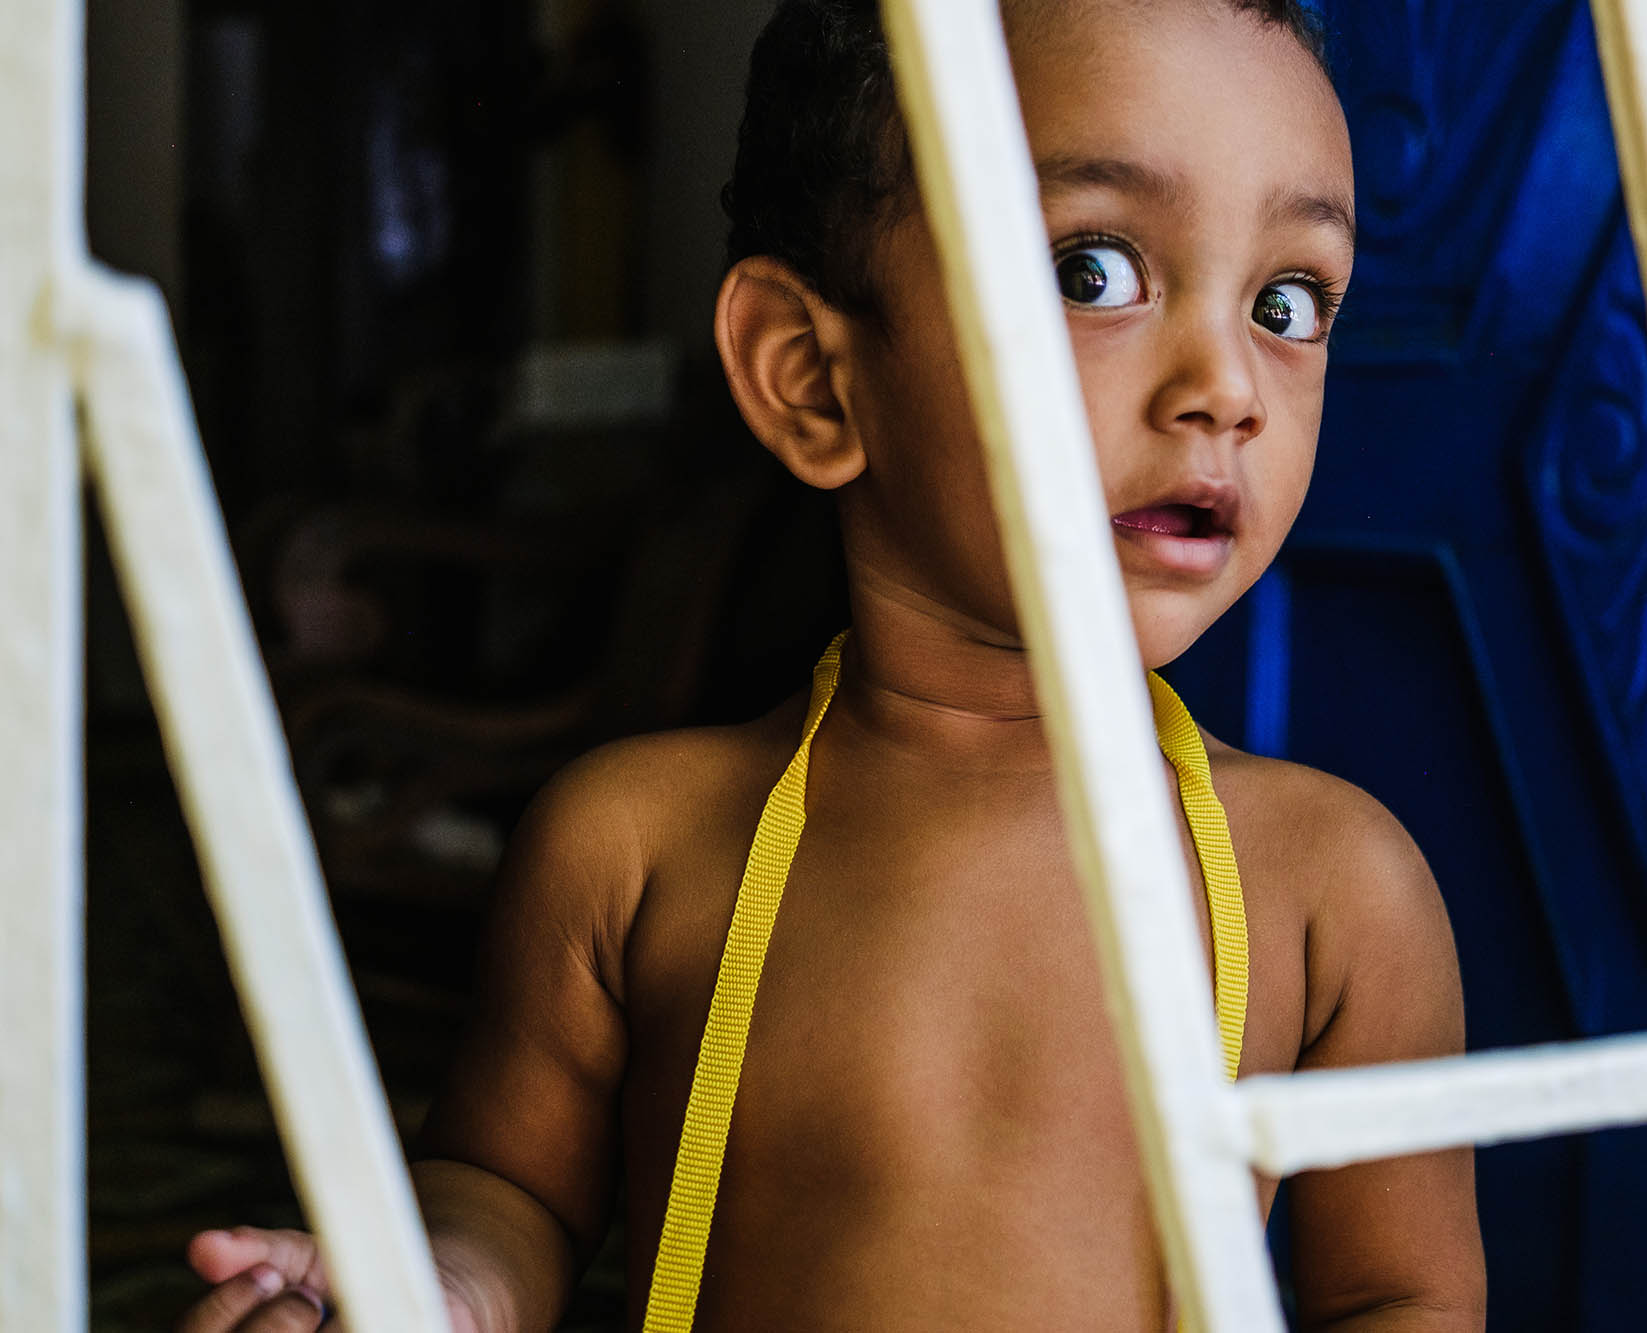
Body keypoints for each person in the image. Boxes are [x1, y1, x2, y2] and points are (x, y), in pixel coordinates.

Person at [179, 0, 1486, 1327]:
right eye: (1094, 269)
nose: (1229, 385)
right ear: (812, 375)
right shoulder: (636, 847)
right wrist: (432, 1289)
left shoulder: (1338, 891)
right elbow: (505, 1188)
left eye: (1287, 301)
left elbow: (1401, 1292)